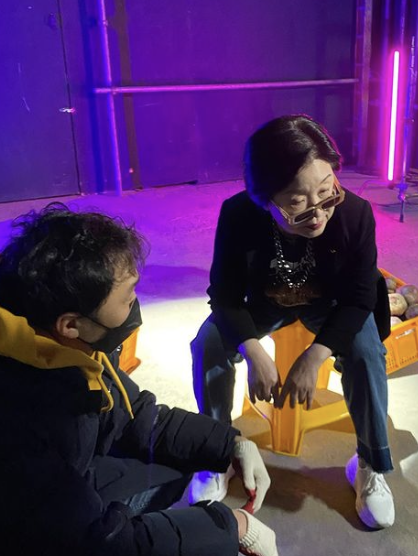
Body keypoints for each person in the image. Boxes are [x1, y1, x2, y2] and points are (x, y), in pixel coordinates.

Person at [0, 204, 278, 556]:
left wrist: (230, 443)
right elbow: (94, 541)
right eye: (127, 298)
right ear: (70, 324)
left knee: (180, 462)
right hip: (31, 525)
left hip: (72, 478)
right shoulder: (24, 420)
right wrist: (231, 527)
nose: (135, 304)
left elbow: (136, 414)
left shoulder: (65, 349)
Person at [190, 114, 394, 530]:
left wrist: (314, 357)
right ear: (263, 197)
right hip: (266, 300)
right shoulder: (239, 214)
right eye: (297, 202)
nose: (318, 213)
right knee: (208, 343)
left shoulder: (355, 214)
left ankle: (370, 463)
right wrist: (253, 350)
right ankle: (216, 452)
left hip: (331, 303)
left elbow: (360, 298)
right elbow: (224, 294)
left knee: (367, 350)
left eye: (326, 190)